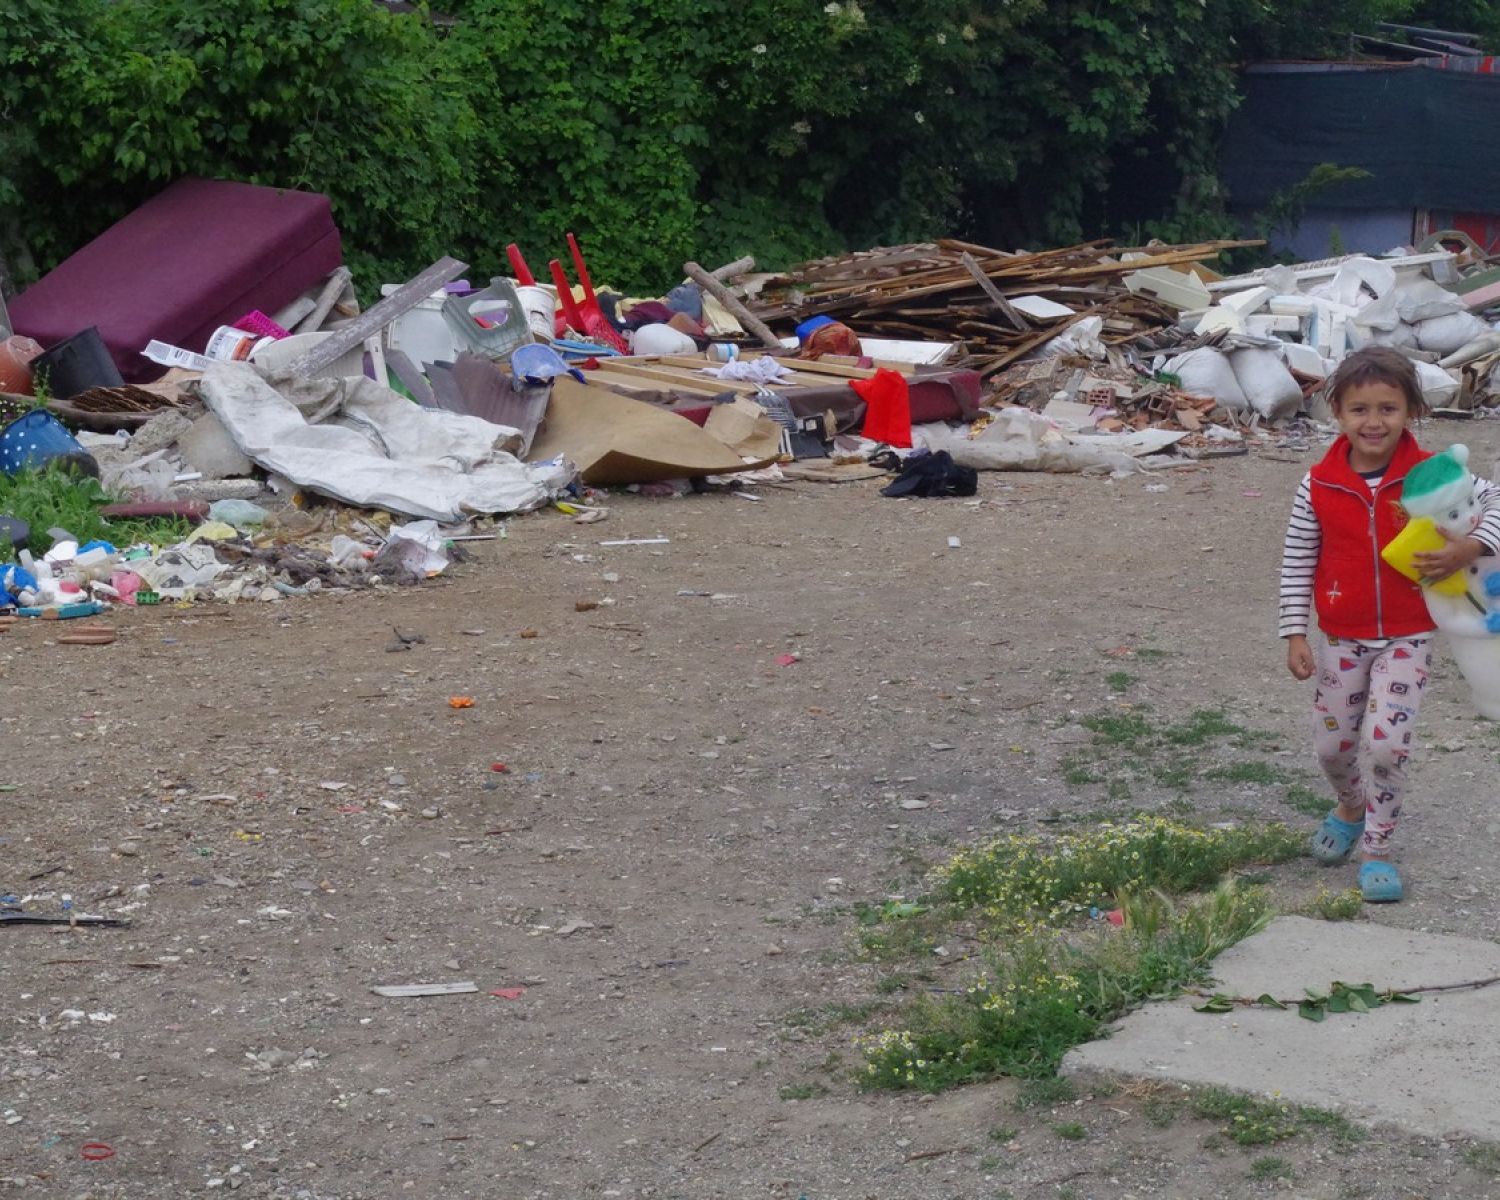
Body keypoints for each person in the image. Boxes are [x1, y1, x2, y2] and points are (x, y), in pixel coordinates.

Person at [1278, 345, 1500, 902]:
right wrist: (1294, 631)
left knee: (1385, 745)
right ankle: (1351, 807)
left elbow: (1498, 505)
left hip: (1408, 636)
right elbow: (1298, 556)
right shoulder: (1319, 484)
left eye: (1388, 408)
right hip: (1342, 638)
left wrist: (1470, 545)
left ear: (1411, 412)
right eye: (1359, 409)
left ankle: (1377, 846)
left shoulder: (1435, 475)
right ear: (1338, 413)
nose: (1374, 421)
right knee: (1333, 749)